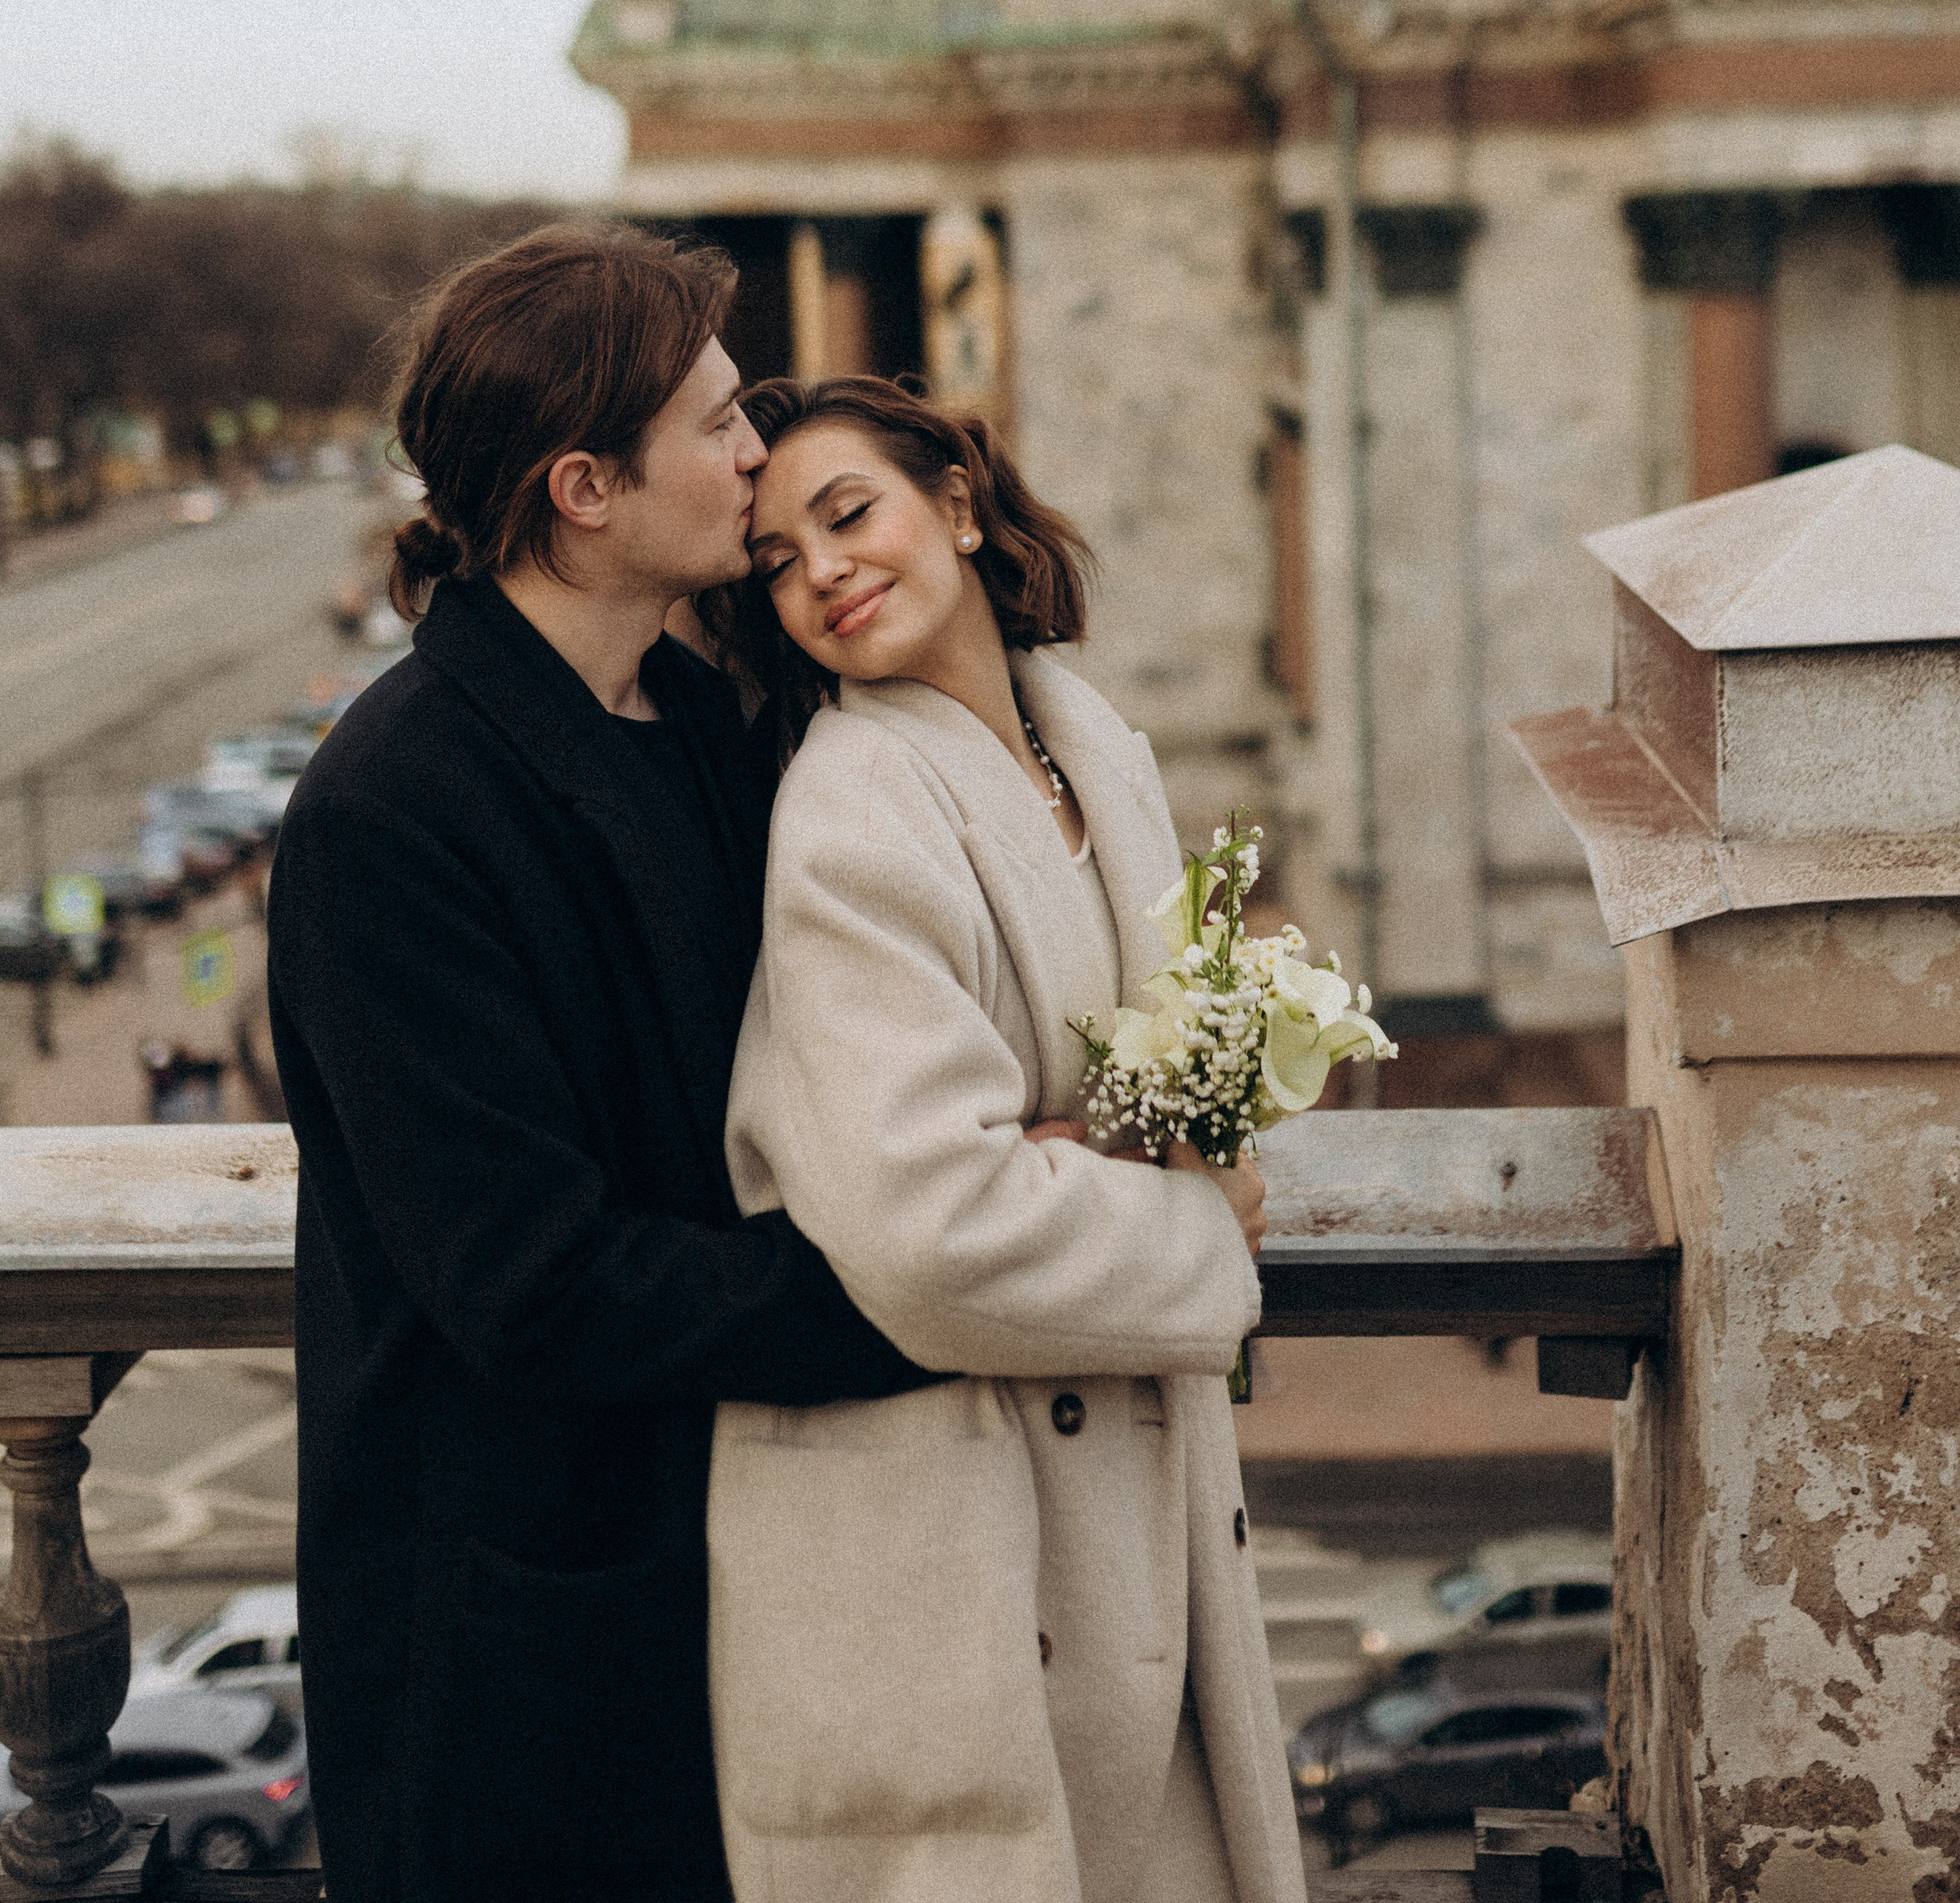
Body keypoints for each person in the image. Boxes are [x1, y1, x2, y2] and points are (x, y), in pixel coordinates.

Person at [265, 229, 933, 1903]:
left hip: (721, 1602)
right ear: (584, 487)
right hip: (516, 1666)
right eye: (715, 425)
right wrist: (929, 1301)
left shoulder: (698, 721)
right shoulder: (389, 809)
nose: (755, 456)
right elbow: (532, 1280)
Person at [708, 375, 1306, 1903]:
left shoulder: (1095, 747)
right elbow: (933, 1231)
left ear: (958, 506)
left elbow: (1143, 1086)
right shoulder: (850, 814)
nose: (823, 571)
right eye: (776, 560)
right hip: (960, 1538)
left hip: (1132, 1509)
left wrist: (1107, 1146)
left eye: (850, 516)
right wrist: (1198, 1224)